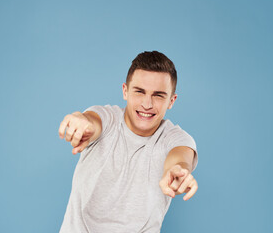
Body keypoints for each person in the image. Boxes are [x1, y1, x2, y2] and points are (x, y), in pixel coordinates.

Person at [58, 51, 198, 232]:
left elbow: (180, 157)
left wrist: (179, 170)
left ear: (172, 100)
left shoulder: (176, 138)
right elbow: (92, 121)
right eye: (139, 92)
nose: (147, 104)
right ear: (125, 91)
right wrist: (83, 121)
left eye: (158, 95)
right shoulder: (106, 118)